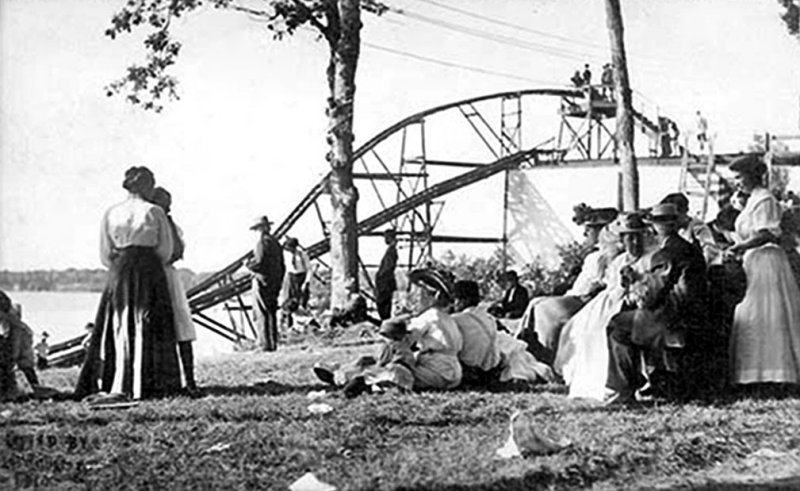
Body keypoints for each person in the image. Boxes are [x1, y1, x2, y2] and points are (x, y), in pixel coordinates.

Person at [75, 166, 181, 400]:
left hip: (120, 271)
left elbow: (105, 253)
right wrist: (149, 261)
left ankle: (117, 379)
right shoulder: (155, 211)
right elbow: (165, 250)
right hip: (149, 270)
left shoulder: (112, 212)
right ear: (148, 186)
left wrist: (120, 264)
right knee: (150, 321)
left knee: (118, 324)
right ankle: (150, 383)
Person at [605, 203, 709, 404]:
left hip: (674, 316)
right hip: (692, 312)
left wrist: (634, 282)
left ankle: (624, 390)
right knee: (631, 319)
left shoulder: (667, 253)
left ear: (653, 228)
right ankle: (648, 382)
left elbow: (651, 297)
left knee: (617, 325)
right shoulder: (686, 247)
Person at [554, 212, 654, 400]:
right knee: (586, 327)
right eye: (629, 237)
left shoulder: (650, 259)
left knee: (610, 328)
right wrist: (622, 285)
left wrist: (635, 284)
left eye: (637, 236)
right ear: (623, 240)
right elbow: (613, 286)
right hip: (614, 299)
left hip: (639, 303)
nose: (633, 242)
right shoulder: (619, 261)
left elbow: (653, 287)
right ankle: (598, 378)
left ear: (644, 236)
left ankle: (627, 382)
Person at [725, 154, 800, 386]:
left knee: (766, 313)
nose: (737, 183)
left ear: (752, 176)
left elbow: (767, 232)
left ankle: (775, 372)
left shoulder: (764, 199)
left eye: (739, 178)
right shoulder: (751, 200)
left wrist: (741, 246)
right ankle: (754, 373)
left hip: (767, 260)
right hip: (754, 261)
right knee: (754, 314)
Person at [516, 206, 621, 358]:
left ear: (602, 230)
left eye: (589, 230)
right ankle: (523, 342)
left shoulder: (610, 254)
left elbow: (607, 281)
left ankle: (544, 352)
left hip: (586, 300)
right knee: (535, 302)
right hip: (576, 295)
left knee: (543, 308)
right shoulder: (595, 255)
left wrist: (595, 288)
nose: (585, 234)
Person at [452, 280, 554, 389]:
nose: (454, 304)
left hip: (472, 370)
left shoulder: (456, 320)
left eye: (455, 300)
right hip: (490, 370)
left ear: (462, 301)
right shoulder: (488, 318)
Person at [150, 186, 199, 396]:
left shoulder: (160, 224)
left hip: (161, 276)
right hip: (169, 275)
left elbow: (175, 251)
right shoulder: (171, 225)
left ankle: (186, 380)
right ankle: (187, 380)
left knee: (177, 327)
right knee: (181, 328)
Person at [246, 215, 286, 351]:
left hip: (262, 281)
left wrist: (248, 265)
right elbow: (282, 265)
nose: (256, 232)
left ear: (261, 229)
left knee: (262, 313)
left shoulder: (262, 242)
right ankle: (272, 343)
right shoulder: (275, 242)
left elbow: (259, 262)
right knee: (271, 312)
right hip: (274, 281)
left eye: (256, 229)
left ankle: (264, 344)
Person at [0, 291, 41, 398]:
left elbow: (20, 357)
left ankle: (33, 387)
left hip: (9, 363)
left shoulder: (18, 329)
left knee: (22, 360)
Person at [660, 192, 719, 265]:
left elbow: (710, 251)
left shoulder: (697, 227)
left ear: (683, 211)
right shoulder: (679, 230)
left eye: (674, 216)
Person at [375, 229, 398, 320]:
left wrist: (380, 277)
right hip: (386, 282)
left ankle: (385, 321)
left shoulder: (391, 251)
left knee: (383, 304)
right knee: (384, 304)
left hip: (385, 282)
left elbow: (388, 268)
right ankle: (385, 320)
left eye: (386, 237)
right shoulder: (391, 250)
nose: (385, 239)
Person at [284, 237, 311, 311]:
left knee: (302, 299)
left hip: (301, 277)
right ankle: (290, 319)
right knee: (290, 300)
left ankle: (303, 314)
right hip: (291, 277)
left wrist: (306, 282)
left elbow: (309, 269)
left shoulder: (303, 255)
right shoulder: (286, 255)